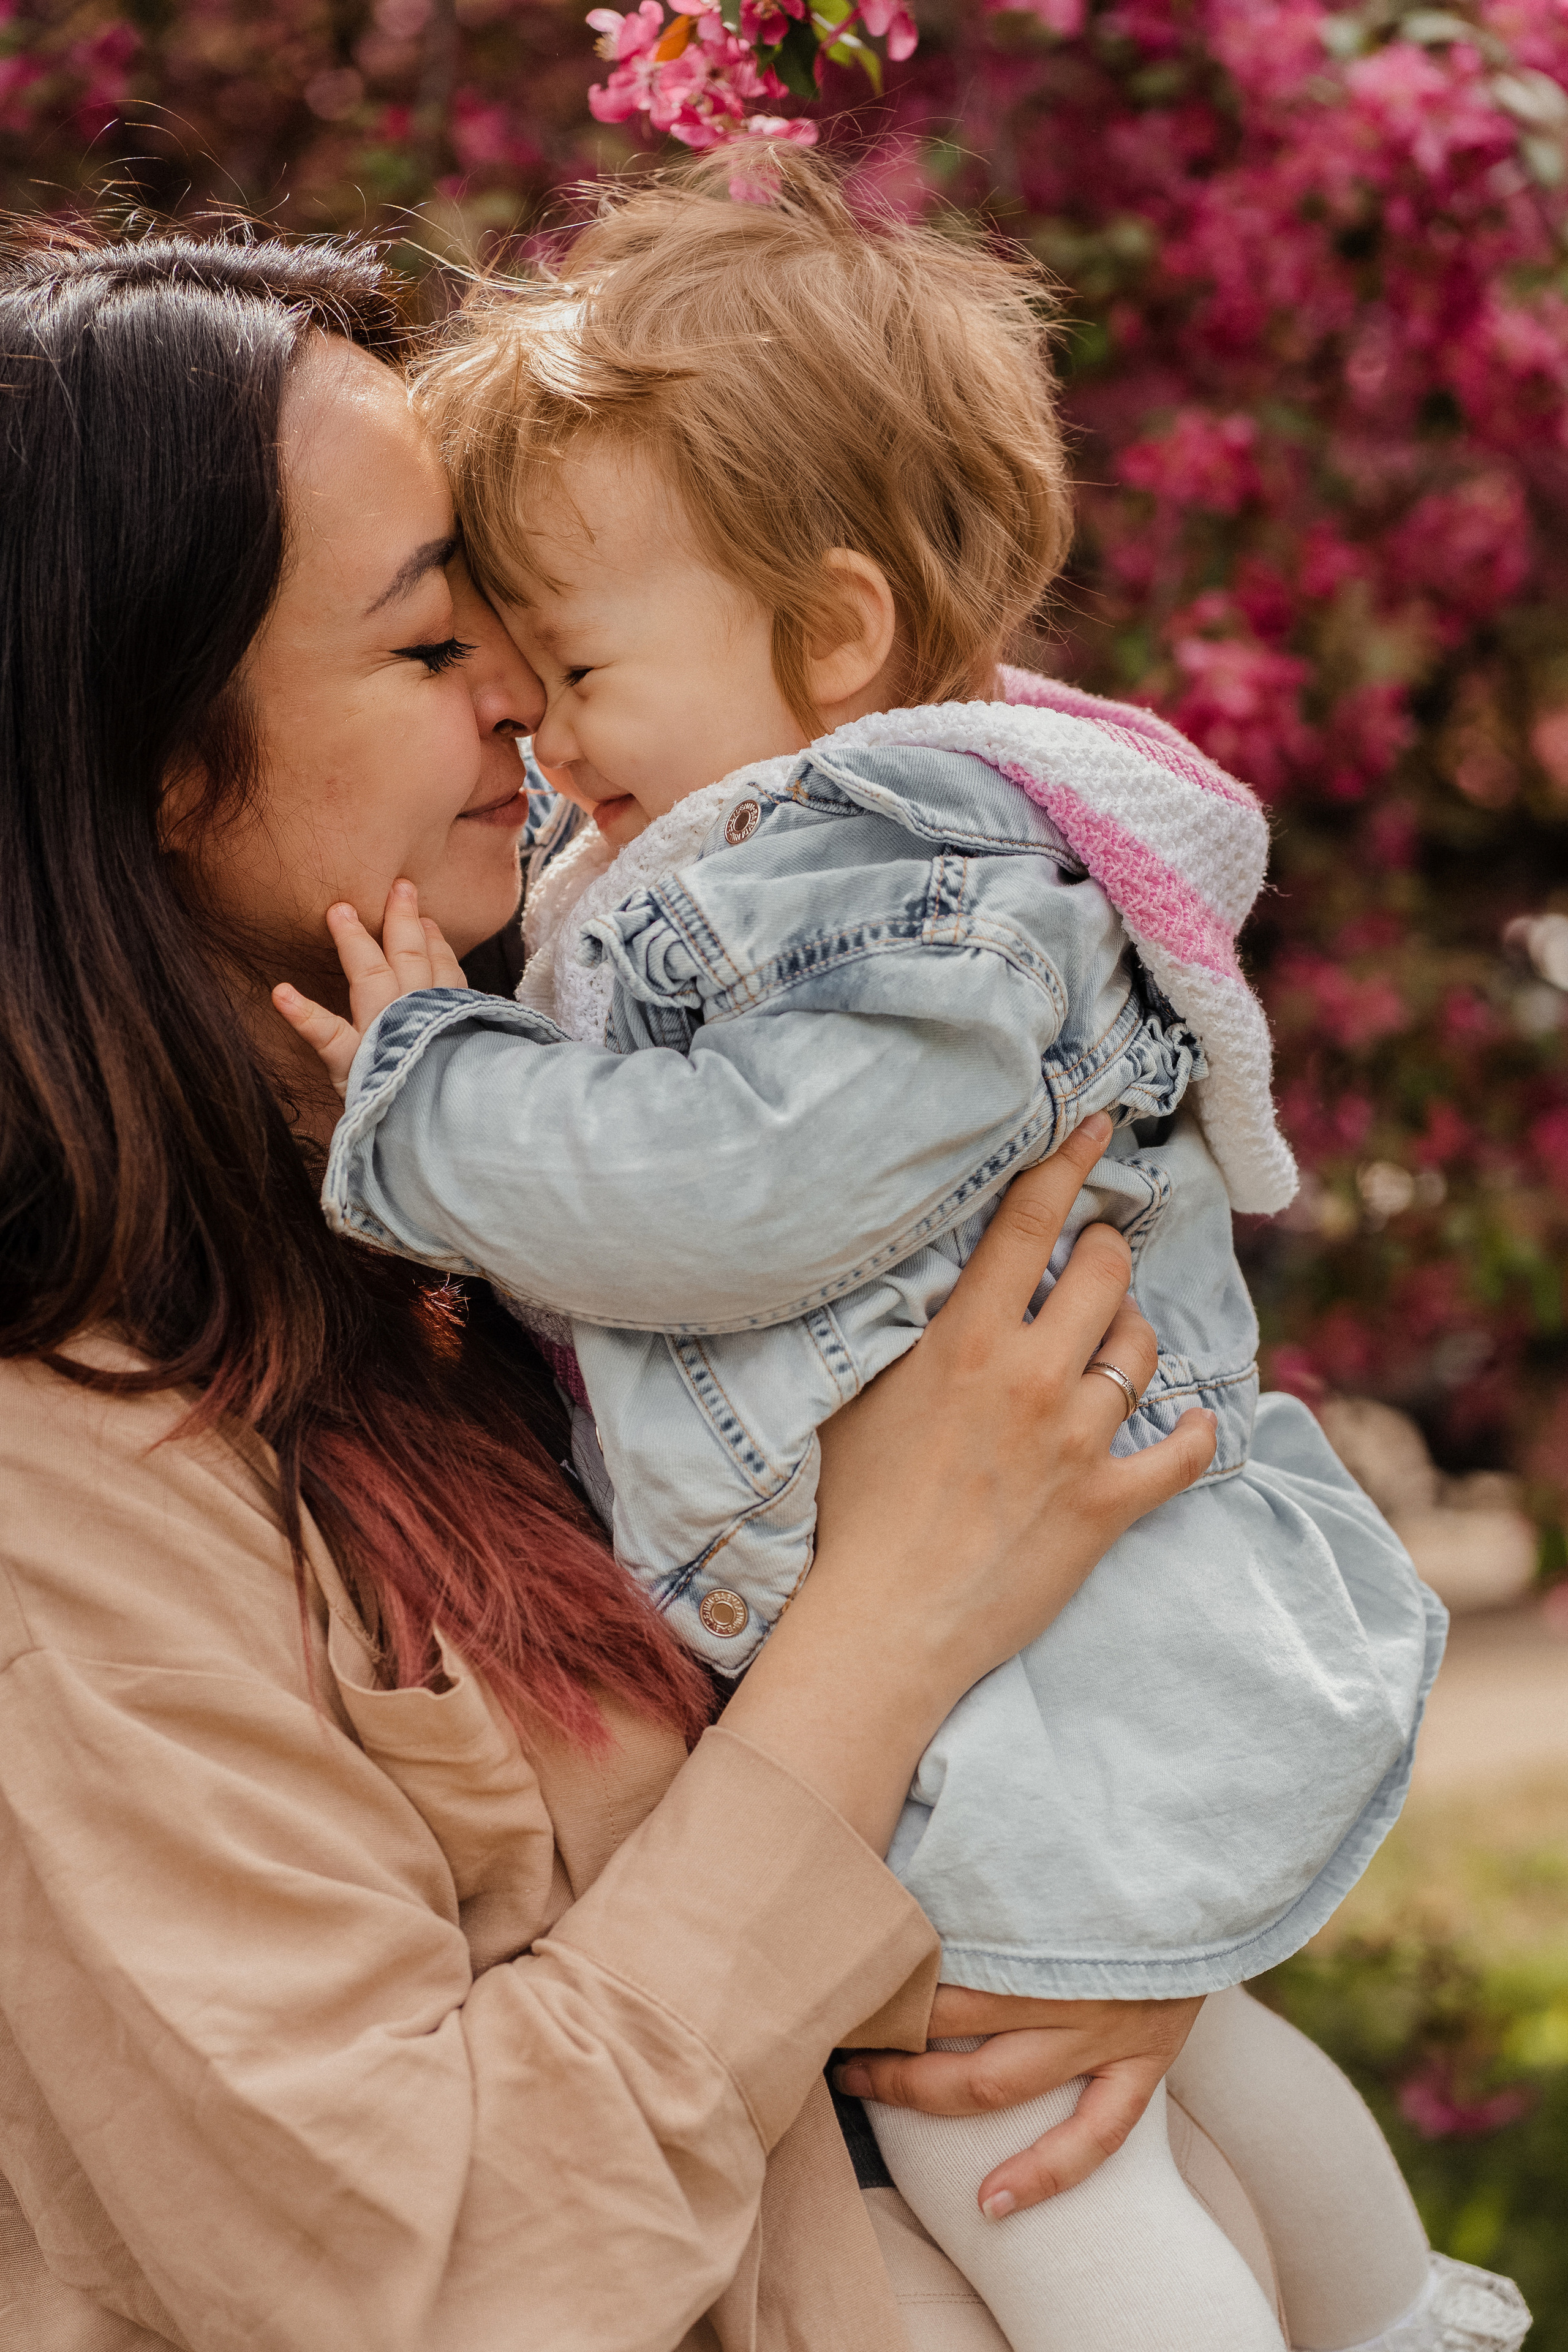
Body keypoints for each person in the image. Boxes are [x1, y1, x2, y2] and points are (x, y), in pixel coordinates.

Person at [0, 213, 1316, 2352]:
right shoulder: (67, 1501)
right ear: (155, 756)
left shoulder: (508, 1231)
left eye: (521, 621)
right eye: (435, 649)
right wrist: (893, 1629)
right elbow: (412, 2276)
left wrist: (1091, 1919)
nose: (530, 689)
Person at [278, 154, 1526, 2352]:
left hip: (1003, 1701)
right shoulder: (888, 844)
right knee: (1199, 2057)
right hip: (1039, 1640)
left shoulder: (876, 890)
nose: (539, 743)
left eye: (572, 667)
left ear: (832, 636)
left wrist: (430, 1090)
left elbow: (725, 1192)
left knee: (1010, 2140)